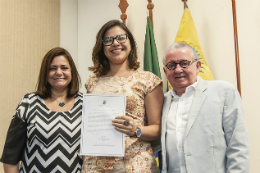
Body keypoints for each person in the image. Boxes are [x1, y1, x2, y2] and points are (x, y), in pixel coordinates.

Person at [81, 20, 164, 172]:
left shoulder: (148, 80)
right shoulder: (92, 82)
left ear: (130, 43)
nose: (115, 43)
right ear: (102, 47)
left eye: (121, 38)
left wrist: (136, 130)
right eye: (108, 40)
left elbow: (158, 129)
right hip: (95, 164)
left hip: (134, 164)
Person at [160, 42, 250, 173]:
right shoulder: (162, 101)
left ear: (197, 66)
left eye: (184, 63)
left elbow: (238, 146)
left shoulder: (223, 91)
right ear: (165, 71)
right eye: (171, 65)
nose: (178, 69)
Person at [0, 47, 83, 172]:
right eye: (52, 68)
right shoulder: (28, 103)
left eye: (64, 68)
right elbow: (10, 155)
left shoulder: (85, 104)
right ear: (45, 73)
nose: (59, 72)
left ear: (72, 72)